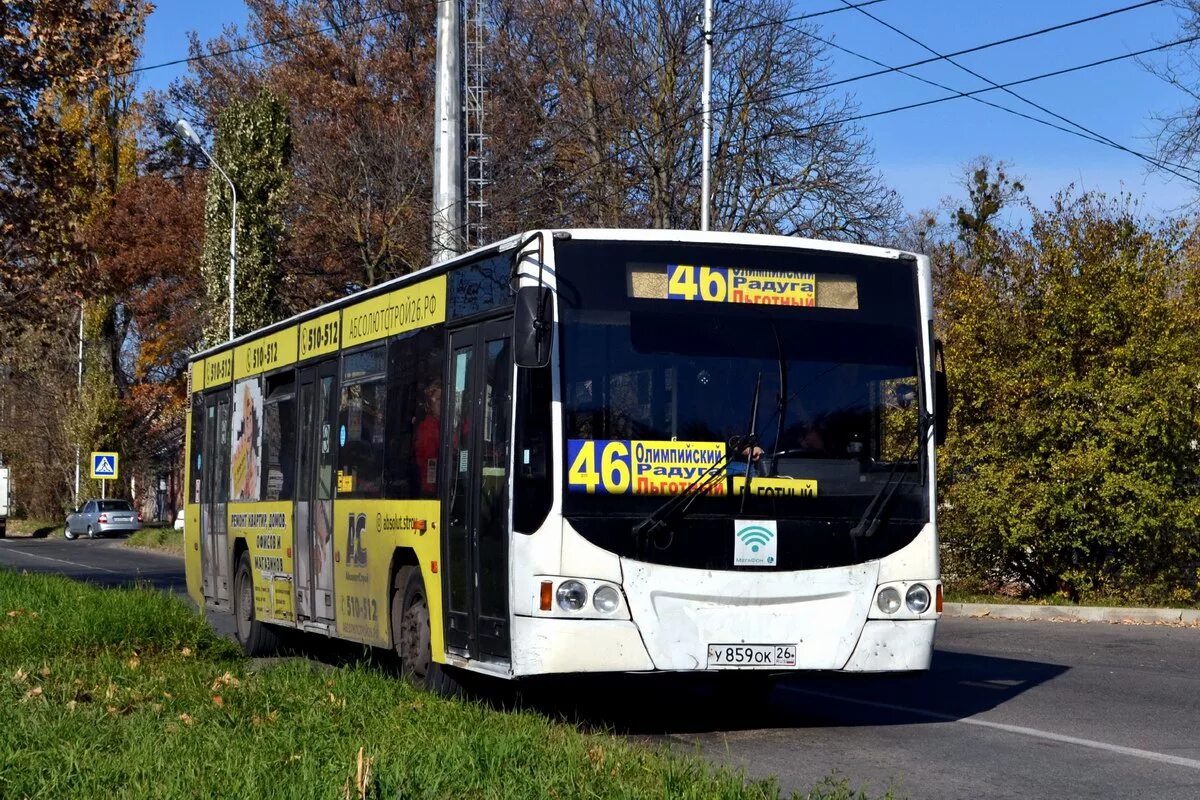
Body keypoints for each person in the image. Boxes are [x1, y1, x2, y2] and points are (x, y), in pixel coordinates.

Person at [413, 378, 442, 496]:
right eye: (438, 399)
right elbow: (429, 460)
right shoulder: (427, 427)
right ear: (430, 403)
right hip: (431, 489)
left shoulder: (445, 425)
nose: (442, 403)